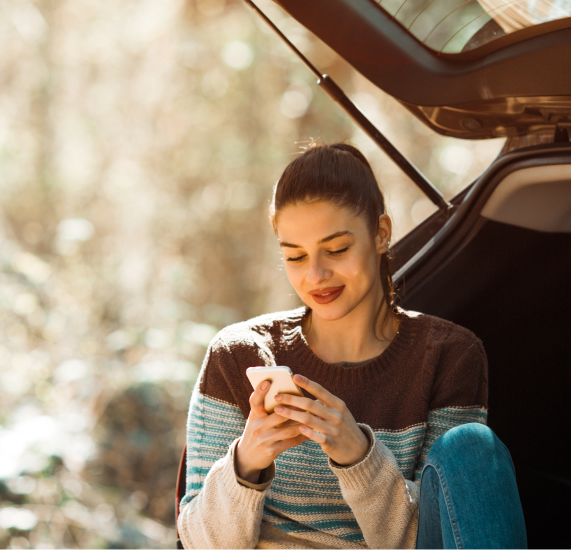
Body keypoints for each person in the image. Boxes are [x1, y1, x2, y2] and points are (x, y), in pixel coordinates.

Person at [176, 141, 527, 549]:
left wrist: (359, 458)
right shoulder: (238, 354)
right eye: (295, 257)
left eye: (337, 249)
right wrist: (246, 462)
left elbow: (434, 538)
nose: (316, 275)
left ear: (381, 234)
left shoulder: (450, 355)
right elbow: (199, 543)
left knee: (472, 448)